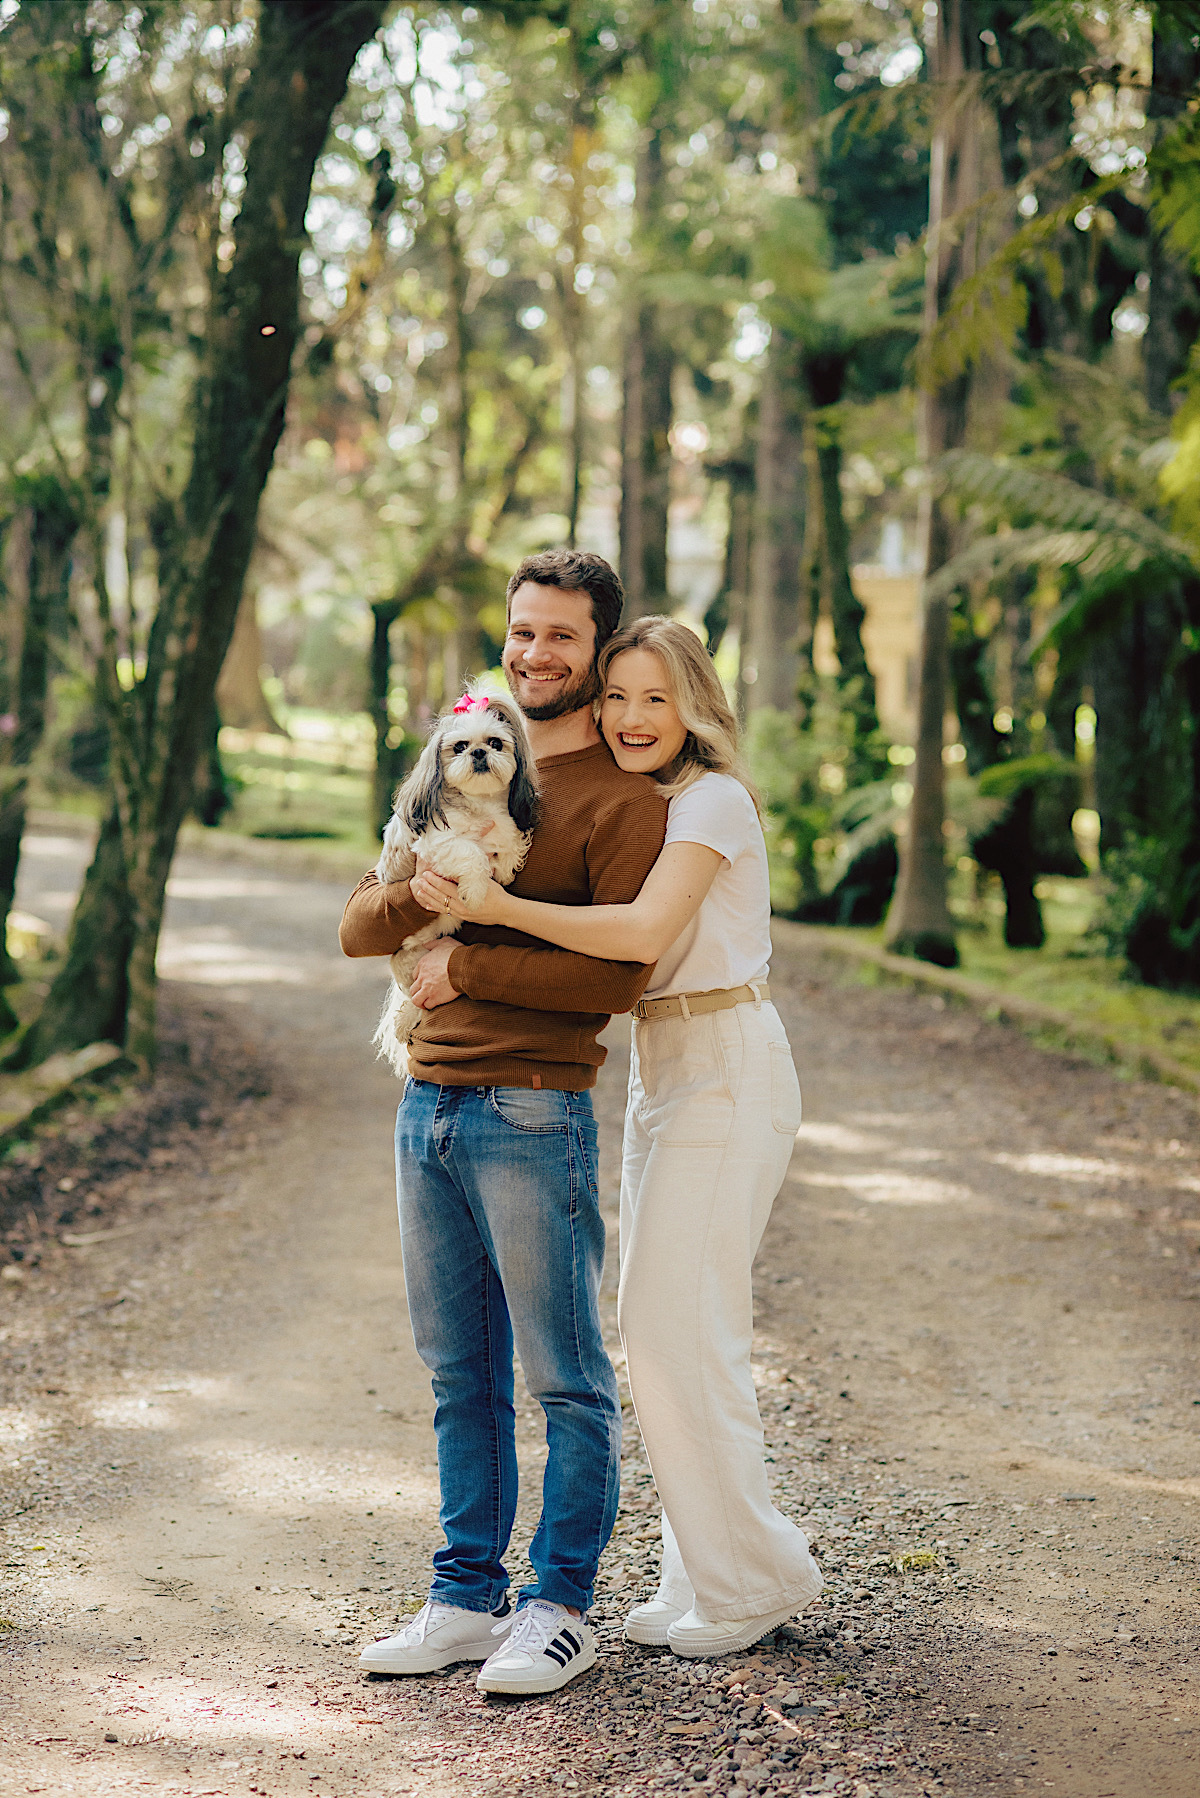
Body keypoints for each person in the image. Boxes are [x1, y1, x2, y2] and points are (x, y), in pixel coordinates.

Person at [427, 615, 823, 1658]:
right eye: (618, 697)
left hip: (728, 1065)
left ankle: (757, 1577)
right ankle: (702, 1572)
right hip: (666, 1068)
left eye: (656, 697)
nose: (632, 717)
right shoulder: (651, 800)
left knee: (681, 1326)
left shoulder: (713, 800)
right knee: (662, 1332)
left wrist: (499, 907)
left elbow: (643, 936)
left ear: (695, 703)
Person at [339, 550, 667, 1696]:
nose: (536, 653)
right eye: (523, 631)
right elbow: (355, 927)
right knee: (455, 1372)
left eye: (562, 637)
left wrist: (467, 966)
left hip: (533, 1107)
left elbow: (616, 983)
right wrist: (412, 904)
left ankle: (559, 1604)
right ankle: (462, 1597)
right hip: (423, 1105)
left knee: (564, 1374)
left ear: (600, 647)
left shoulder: (624, 801)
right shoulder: (449, 768)